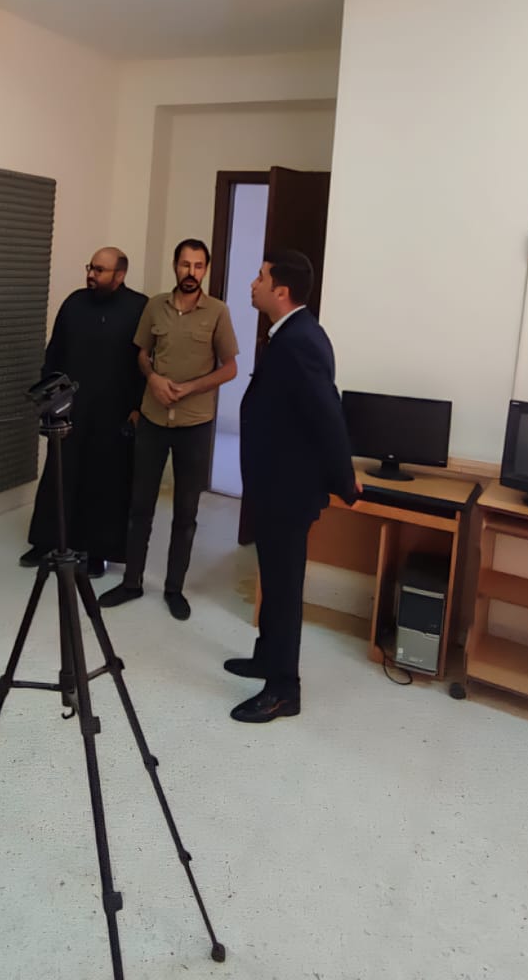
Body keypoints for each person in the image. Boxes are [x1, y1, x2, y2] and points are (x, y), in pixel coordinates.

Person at [226, 250, 359, 723]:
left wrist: (344, 481)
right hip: (274, 485)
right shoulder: (288, 333)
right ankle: (267, 658)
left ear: (281, 290)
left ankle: (284, 690)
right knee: (273, 580)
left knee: (283, 589)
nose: (253, 283)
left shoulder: (301, 340)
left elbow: (327, 414)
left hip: (288, 491)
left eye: (261, 277)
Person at [98, 238, 238, 621]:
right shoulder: (154, 306)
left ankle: (174, 589)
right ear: (175, 266)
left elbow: (230, 368)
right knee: (140, 506)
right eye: (185, 264)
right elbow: (142, 354)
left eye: (198, 266)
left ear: (205, 270)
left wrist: (191, 388)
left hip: (195, 424)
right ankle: (131, 582)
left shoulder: (218, 312)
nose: (191, 272)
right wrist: (153, 378)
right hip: (153, 419)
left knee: (186, 511)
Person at [20, 247, 149, 576]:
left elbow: (147, 364)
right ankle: (47, 541)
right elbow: (54, 354)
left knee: (104, 482)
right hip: (70, 408)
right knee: (60, 475)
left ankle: (97, 552)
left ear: (120, 275)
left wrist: (138, 408)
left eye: (100, 270)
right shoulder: (75, 303)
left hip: (114, 413)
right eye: (90, 267)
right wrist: (49, 399)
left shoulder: (139, 308)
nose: (91, 274)